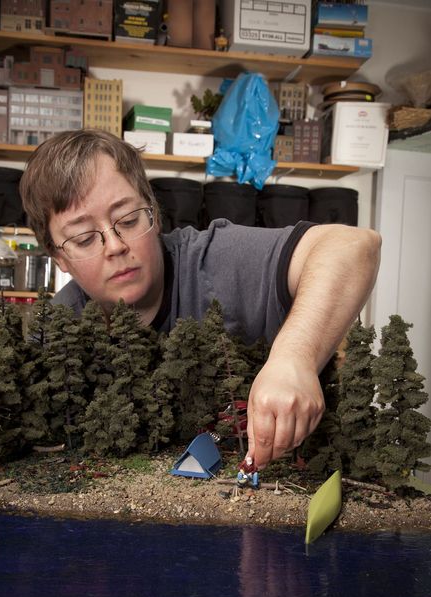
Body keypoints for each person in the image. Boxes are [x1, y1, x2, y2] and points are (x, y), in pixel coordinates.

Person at [19, 129, 381, 470]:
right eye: (84, 239)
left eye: (128, 220)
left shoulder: (214, 258)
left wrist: (294, 359)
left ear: (154, 213)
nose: (115, 247)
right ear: (60, 258)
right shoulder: (53, 332)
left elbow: (353, 247)